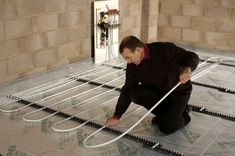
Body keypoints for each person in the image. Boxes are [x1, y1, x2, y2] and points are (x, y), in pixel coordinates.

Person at [105, 36, 199, 134]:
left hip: (178, 93)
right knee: (134, 93)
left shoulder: (164, 49)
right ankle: (165, 116)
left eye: (128, 57)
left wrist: (187, 69)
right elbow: (127, 89)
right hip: (158, 92)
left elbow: (192, 56)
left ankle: (184, 115)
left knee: (166, 128)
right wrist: (116, 116)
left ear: (138, 50)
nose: (128, 61)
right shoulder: (132, 66)